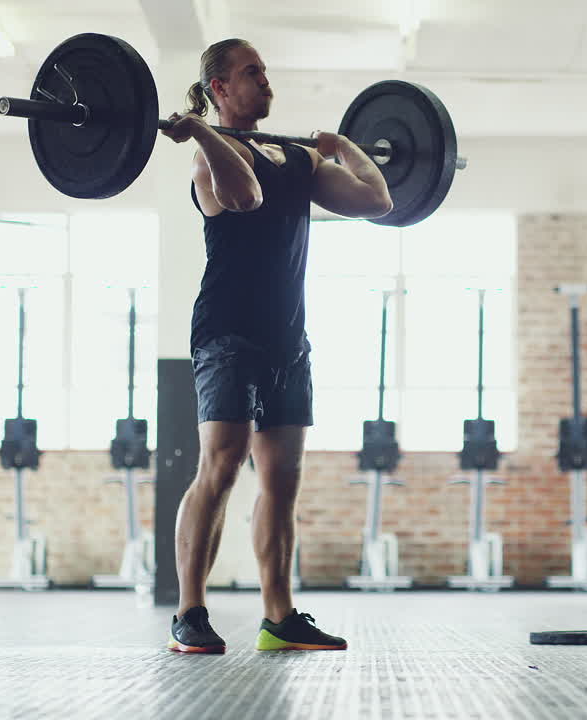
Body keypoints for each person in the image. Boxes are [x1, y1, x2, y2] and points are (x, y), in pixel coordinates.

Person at [159, 38, 393, 654]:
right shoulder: (208, 160)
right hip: (227, 331)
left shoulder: (297, 160)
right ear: (219, 90)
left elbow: (378, 199)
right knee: (222, 464)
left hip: (288, 336)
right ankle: (189, 612)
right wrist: (206, 135)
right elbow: (244, 196)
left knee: (282, 478)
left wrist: (343, 149)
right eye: (252, 73)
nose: (266, 82)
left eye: (265, 71)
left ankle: (279, 617)